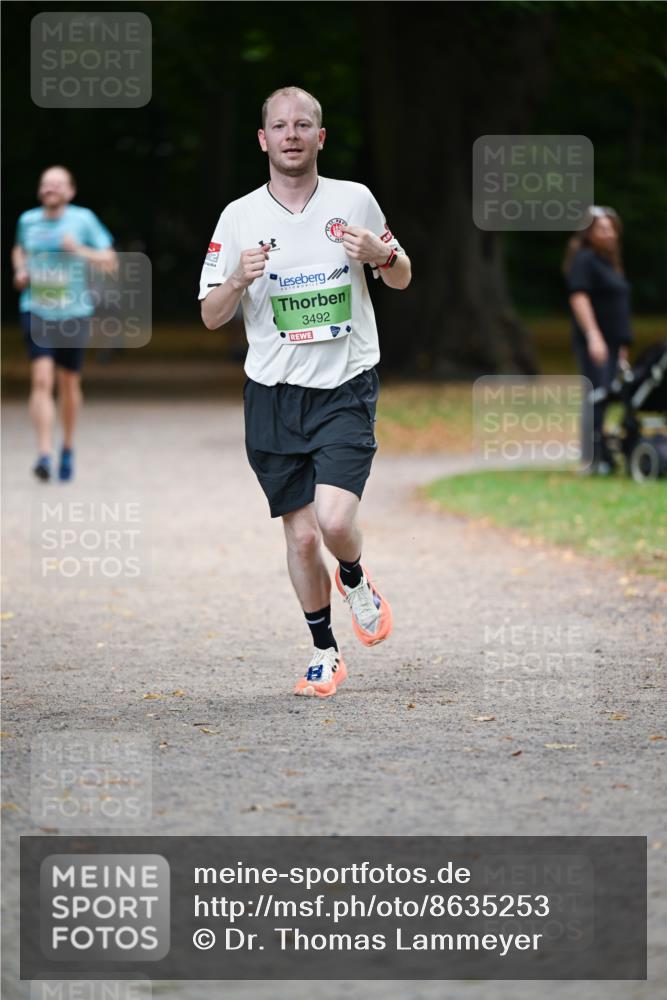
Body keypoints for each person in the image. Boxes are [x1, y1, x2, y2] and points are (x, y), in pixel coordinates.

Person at [199, 86, 411, 698]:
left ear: (320, 137)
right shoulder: (238, 216)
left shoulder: (355, 200)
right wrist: (237, 277)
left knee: (335, 519)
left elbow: (401, 275)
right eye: (280, 126)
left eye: (304, 125)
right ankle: (324, 651)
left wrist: (382, 251)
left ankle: (354, 576)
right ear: (263, 139)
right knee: (299, 535)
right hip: (272, 393)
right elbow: (212, 316)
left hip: (345, 383)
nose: (292, 134)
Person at [12, 165, 116, 481]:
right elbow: (19, 249)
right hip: (37, 308)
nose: (50, 189)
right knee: (42, 380)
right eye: (46, 184)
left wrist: (78, 249)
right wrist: (20, 271)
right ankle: (44, 454)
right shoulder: (27, 221)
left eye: (57, 184)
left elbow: (110, 260)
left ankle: (67, 446)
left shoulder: (83, 220)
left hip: (73, 312)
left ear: (70, 191)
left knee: (69, 384)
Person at [563, 205, 633, 474]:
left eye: (611, 228)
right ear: (588, 233)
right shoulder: (584, 260)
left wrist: (622, 343)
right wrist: (594, 336)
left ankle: (603, 454)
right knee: (595, 395)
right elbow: (579, 297)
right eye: (601, 228)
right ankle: (590, 458)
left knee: (606, 395)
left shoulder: (609, 264)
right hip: (596, 343)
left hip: (613, 343)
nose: (608, 233)